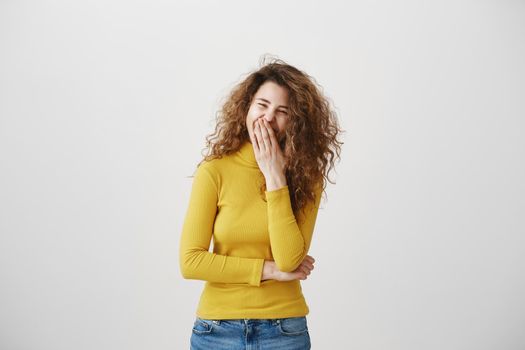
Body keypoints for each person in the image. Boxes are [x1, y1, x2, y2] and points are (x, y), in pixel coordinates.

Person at [179, 56, 343, 350]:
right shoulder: (214, 171)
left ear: (297, 122)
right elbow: (191, 262)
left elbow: (290, 259)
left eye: (282, 111)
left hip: (284, 331)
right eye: (262, 105)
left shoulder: (308, 177)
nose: (268, 118)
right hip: (216, 331)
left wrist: (274, 176)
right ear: (247, 106)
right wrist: (269, 271)